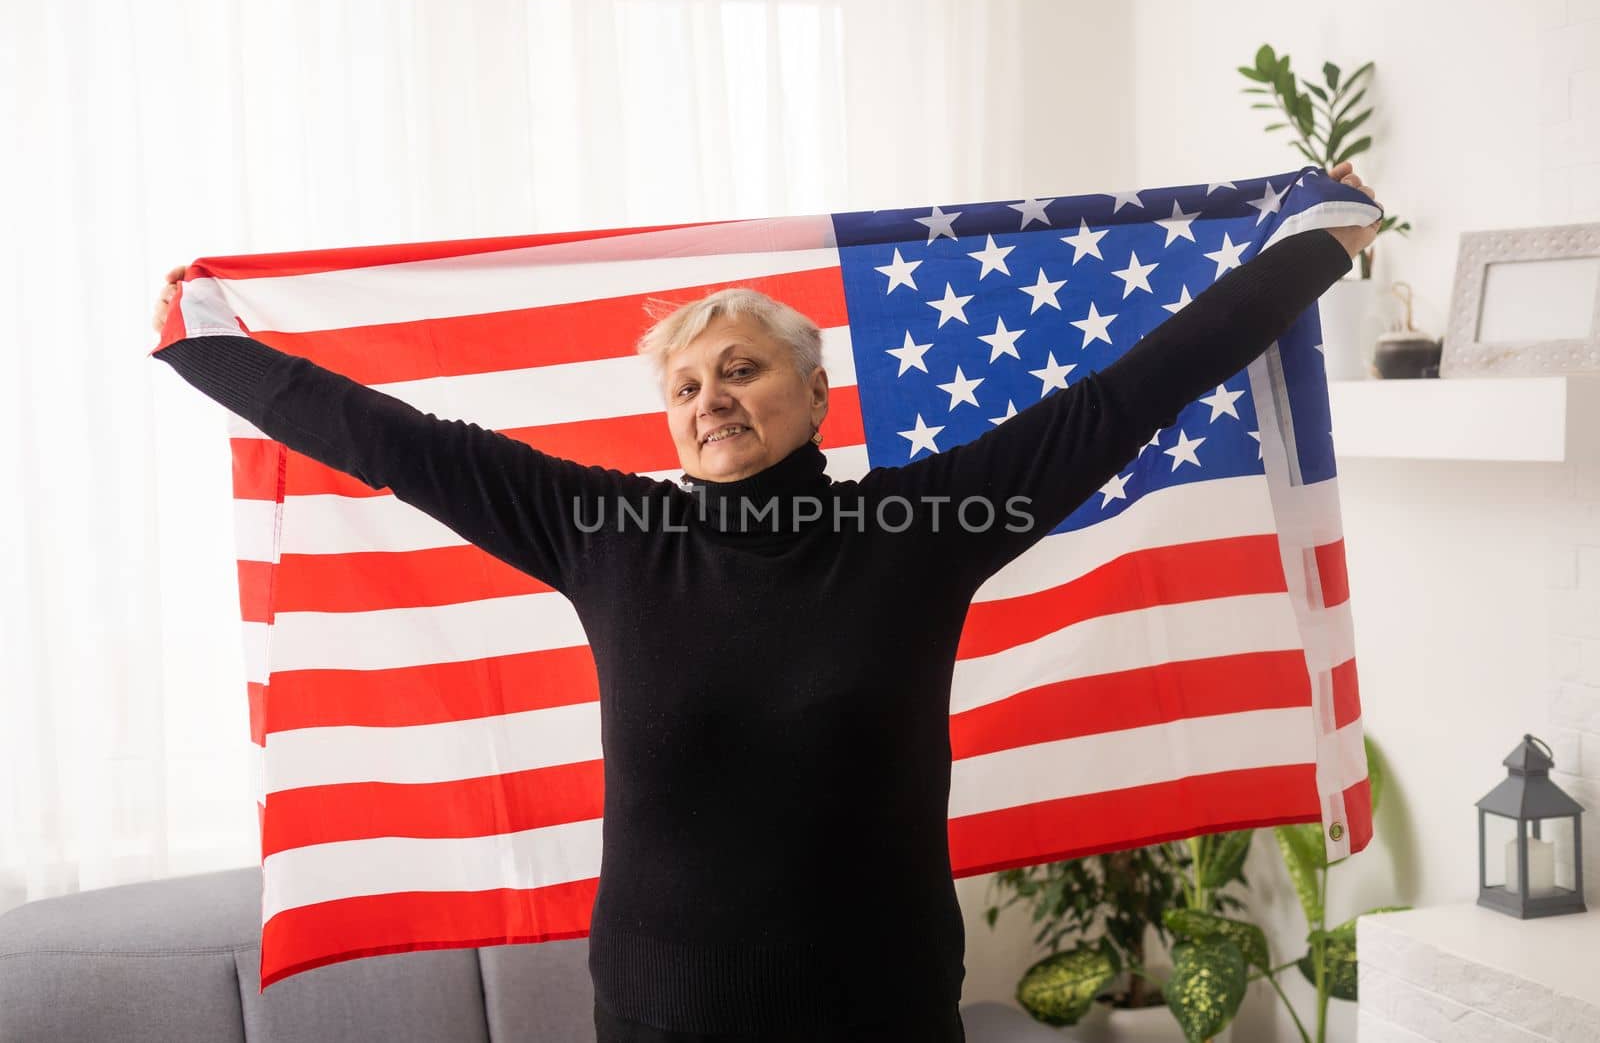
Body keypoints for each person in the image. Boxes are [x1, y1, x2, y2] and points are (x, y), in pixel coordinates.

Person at [150, 166, 1380, 1042]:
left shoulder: (917, 529)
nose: (711, 399)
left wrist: (1316, 246)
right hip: (655, 1011)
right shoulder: (611, 532)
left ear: (815, 396)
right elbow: (393, 438)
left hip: (881, 1008)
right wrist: (211, 348)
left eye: (740, 368)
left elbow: (1124, 396)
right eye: (684, 386)